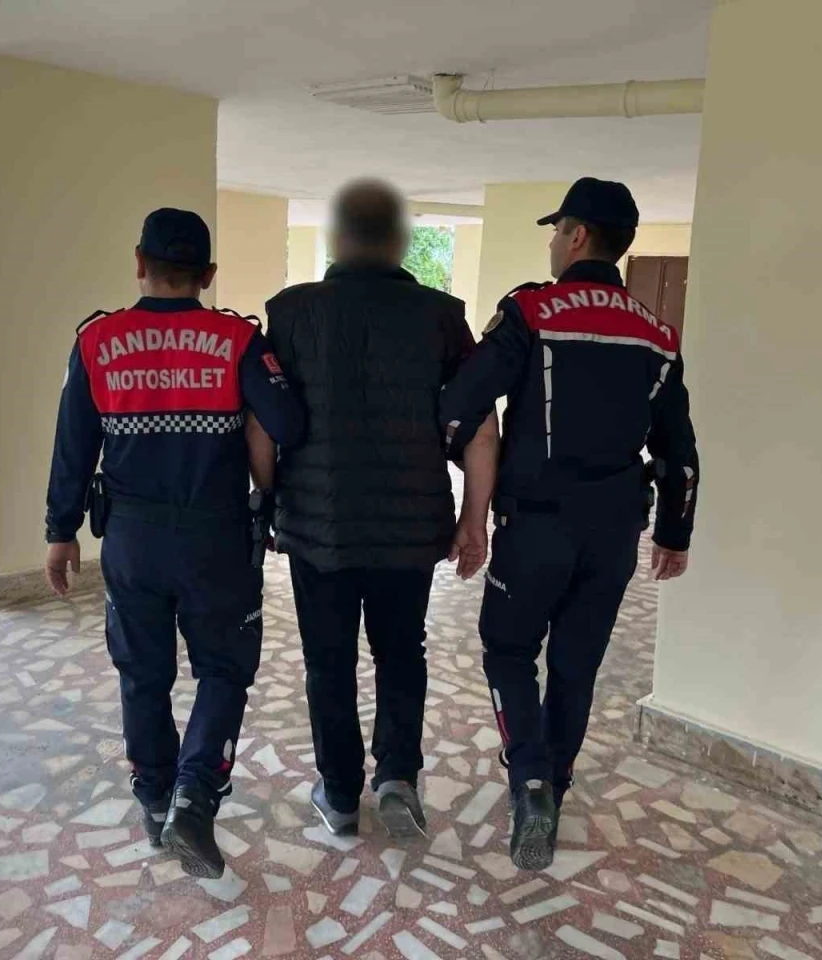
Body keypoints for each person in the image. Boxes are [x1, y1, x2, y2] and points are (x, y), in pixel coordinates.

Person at [439, 178, 699, 871]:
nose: (553, 243)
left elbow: (462, 402)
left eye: (557, 231)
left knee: (507, 650)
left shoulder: (530, 311)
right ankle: (554, 785)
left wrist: (465, 480)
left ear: (577, 235)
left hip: (535, 527)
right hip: (613, 533)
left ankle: (529, 782)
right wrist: (675, 533)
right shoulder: (658, 335)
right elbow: (679, 450)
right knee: (576, 663)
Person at [43, 208, 304, 878]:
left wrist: (60, 531)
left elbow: (73, 443)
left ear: (139, 262)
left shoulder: (97, 341)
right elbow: (287, 422)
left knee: (143, 672)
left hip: (131, 539)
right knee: (223, 668)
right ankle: (196, 792)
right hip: (216, 539)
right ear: (207, 275)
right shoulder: (238, 339)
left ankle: (156, 795)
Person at [266, 180, 497, 840]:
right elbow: (481, 427)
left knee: (327, 660)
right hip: (410, 528)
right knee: (402, 652)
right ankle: (397, 776)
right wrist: (474, 521)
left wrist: (268, 504)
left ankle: (340, 795)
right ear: (399, 241)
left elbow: (266, 419)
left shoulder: (289, 311)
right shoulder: (442, 316)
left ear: (336, 238)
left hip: (318, 526)